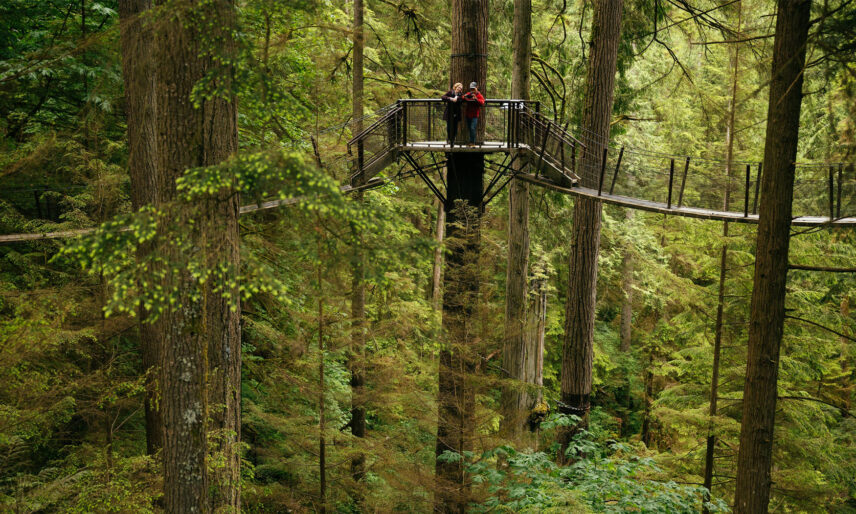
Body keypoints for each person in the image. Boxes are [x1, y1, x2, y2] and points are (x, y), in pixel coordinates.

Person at [462, 81, 485, 146]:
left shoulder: (479, 95)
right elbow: (463, 97)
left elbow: (482, 102)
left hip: (475, 115)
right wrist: (466, 96)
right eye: (471, 89)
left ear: (477, 87)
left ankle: (472, 142)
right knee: (470, 128)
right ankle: (470, 141)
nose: (472, 90)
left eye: (473, 89)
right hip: (468, 114)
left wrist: (476, 99)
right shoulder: (469, 93)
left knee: (472, 128)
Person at [441, 82, 464, 147]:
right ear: (455, 87)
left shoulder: (460, 94)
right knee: (449, 128)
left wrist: (457, 98)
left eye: (461, 88)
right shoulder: (450, 93)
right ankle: (449, 139)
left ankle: (452, 140)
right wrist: (450, 99)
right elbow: (443, 97)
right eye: (458, 87)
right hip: (449, 113)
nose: (459, 89)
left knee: (455, 128)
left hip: (456, 113)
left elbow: (462, 99)